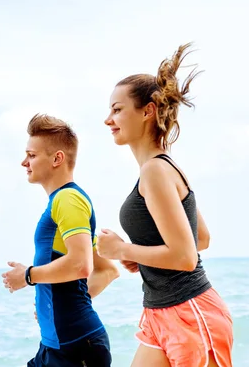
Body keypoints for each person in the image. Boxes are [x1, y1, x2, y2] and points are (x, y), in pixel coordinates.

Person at [97, 43, 234, 367]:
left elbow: (186, 256)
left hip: (191, 313)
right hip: (160, 314)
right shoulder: (158, 168)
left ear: (148, 111)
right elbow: (200, 238)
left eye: (117, 109)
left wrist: (123, 251)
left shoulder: (157, 170)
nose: (108, 119)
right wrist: (144, 255)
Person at [2, 113, 119, 367]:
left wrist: (28, 276)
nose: (24, 162)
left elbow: (81, 265)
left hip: (76, 348)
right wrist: (55, 308)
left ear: (57, 158)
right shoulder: (62, 201)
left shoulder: (68, 200)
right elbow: (107, 270)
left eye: (32, 155)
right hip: (57, 345)